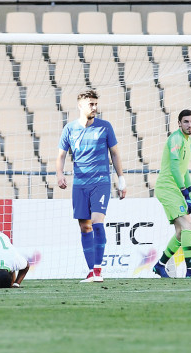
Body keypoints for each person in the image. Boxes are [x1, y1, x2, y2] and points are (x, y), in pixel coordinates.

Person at [55, 89, 127, 283]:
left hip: (100, 182)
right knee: (84, 227)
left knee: (97, 222)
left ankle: (97, 270)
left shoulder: (105, 127)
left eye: (96, 104)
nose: (94, 107)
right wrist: (60, 174)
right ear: (80, 105)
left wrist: (121, 179)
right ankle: (91, 271)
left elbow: (115, 153)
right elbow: (61, 155)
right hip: (80, 184)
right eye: (91, 104)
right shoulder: (70, 129)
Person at [151, 109, 191, 278]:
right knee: (188, 227)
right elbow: (173, 168)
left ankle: (160, 265)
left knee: (181, 232)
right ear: (179, 123)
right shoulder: (176, 139)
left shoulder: (188, 141)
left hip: (174, 188)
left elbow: (183, 170)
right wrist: (184, 192)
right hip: (167, 188)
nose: (189, 125)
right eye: (186, 121)